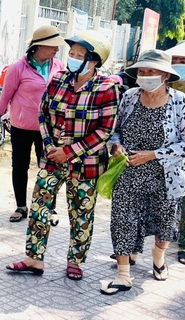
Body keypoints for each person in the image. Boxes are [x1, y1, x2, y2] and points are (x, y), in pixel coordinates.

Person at [7, 31, 119, 281]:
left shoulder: (107, 88)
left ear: (95, 60)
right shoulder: (58, 79)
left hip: (86, 164)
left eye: (80, 55)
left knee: (81, 213)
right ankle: (34, 258)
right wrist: (49, 146)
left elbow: (105, 130)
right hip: (52, 159)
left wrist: (68, 152)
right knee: (40, 206)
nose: (74, 58)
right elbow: (43, 113)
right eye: (73, 53)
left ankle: (75, 261)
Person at [100, 49, 185, 294]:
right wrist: (116, 146)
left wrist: (153, 154)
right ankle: (123, 275)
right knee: (122, 221)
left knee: (164, 224)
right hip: (128, 172)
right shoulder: (129, 96)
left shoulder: (180, 102)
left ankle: (158, 259)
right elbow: (115, 130)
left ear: (165, 75)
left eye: (152, 71)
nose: (146, 75)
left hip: (166, 176)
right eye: (142, 71)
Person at [0, 26, 65, 223]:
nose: (57, 49)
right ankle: (21, 206)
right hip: (21, 127)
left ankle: (48, 207)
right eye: (53, 45)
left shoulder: (58, 66)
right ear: (40, 46)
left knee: (49, 167)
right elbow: (5, 96)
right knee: (20, 166)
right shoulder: (18, 67)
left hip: (49, 128)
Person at [167, 40, 185, 266]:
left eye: (184, 61)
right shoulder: (166, 86)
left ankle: (184, 244)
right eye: (176, 60)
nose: (180, 64)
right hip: (168, 151)